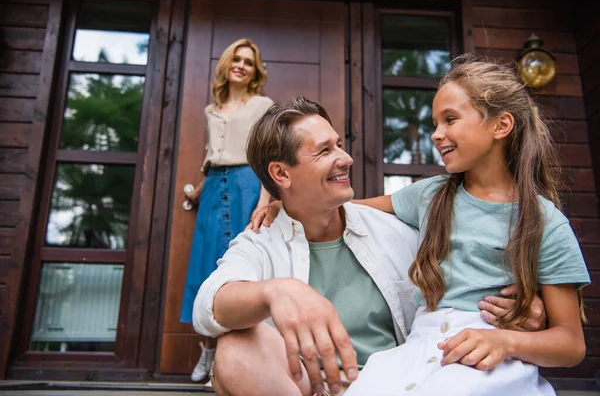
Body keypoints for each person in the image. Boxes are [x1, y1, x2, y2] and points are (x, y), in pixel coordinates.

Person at [193, 96, 547, 396]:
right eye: (324, 151)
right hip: (309, 389)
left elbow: (468, 275)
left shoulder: (394, 229)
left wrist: (524, 309)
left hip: (401, 385)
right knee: (234, 352)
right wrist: (276, 292)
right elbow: (208, 306)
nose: (345, 159)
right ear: (281, 175)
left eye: (339, 145)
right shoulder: (262, 239)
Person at [341, 54, 591, 395]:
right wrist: (286, 202)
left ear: (501, 126)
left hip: (491, 356)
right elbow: (345, 210)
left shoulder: (544, 221)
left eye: (450, 120)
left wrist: (505, 342)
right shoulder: (429, 195)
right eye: (435, 123)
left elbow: (571, 343)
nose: (436, 134)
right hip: (418, 349)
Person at [180, 38, 274, 383]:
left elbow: (265, 156)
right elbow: (212, 159)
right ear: (226, 65)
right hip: (213, 190)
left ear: (254, 72)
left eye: (249, 62)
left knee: (240, 268)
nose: (241, 65)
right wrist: (196, 193)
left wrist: (264, 200)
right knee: (205, 265)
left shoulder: (263, 105)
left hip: (246, 184)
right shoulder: (210, 110)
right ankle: (208, 349)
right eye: (236, 59)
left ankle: (231, 360)